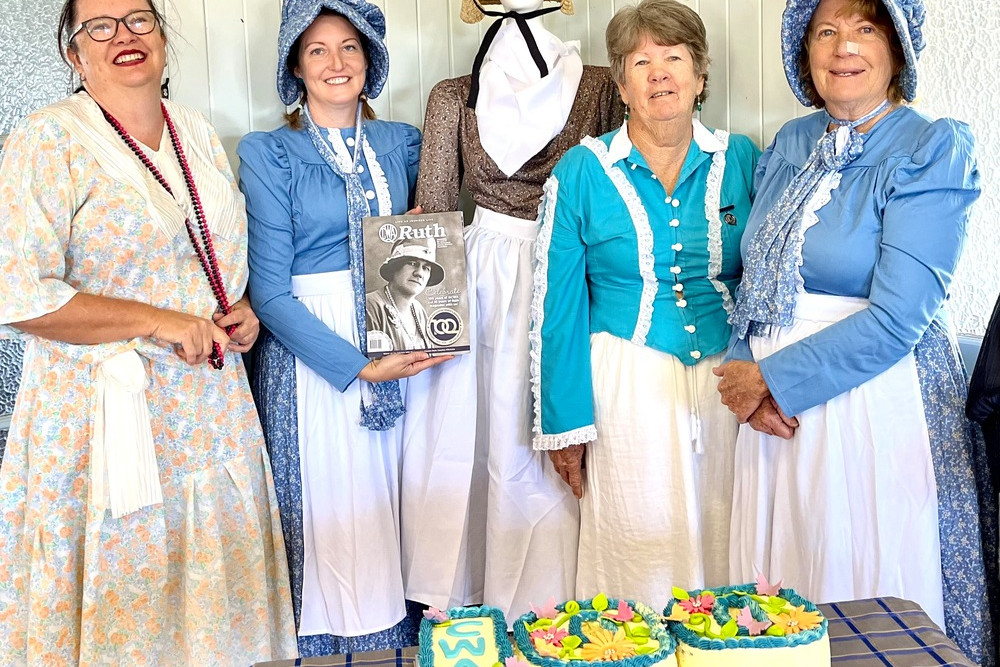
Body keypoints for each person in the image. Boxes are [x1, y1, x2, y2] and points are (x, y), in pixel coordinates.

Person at [0, 0, 298, 663]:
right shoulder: (47, 140)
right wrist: (159, 321)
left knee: (208, 617)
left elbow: (209, 261)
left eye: (139, 19)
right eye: (98, 27)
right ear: (73, 54)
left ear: (163, 39)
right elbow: (18, 294)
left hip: (207, 410)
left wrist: (240, 308)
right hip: (101, 418)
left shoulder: (192, 130)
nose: (123, 36)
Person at [715, 0, 997, 662]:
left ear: (897, 50)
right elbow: (754, 274)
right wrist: (740, 377)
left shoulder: (931, 148)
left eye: (866, 28)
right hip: (770, 417)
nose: (845, 46)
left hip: (870, 402)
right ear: (804, 54)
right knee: (782, 588)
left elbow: (901, 317)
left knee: (860, 584)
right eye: (827, 32)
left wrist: (774, 380)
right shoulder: (789, 142)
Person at [531, 0, 760, 611]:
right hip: (626, 381)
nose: (660, 73)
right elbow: (557, 309)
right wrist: (564, 426)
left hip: (727, 381)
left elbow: (768, 276)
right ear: (622, 84)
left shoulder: (742, 160)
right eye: (642, 61)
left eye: (675, 58)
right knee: (638, 538)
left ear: (700, 76)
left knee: (729, 534)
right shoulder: (581, 171)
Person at [237, 0, 448, 656]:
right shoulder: (269, 152)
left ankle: (406, 639)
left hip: (399, 328)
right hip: (314, 350)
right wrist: (357, 364)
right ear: (295, 66)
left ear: (370, 60)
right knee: (333, 503)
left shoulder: (403, 141)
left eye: (349, 47)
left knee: (403, 496)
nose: (336, 62)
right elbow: (269, 294)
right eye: (318, 49)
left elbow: (427, 246)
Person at [401, 0, 623, 620]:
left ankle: (520, 596)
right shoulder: (593, 84)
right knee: (500, 432)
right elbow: (434, 218)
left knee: (503, 430)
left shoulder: (459, 95)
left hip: (536, 268)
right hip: (531, 271)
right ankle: (525, 601)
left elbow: (437, 212)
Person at [365, 237, 444, 353]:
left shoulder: (419, 311)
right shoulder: (371, 306)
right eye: (413, 263)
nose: (419, 273)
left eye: (426, 268)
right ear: (395, 267)